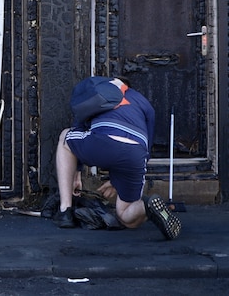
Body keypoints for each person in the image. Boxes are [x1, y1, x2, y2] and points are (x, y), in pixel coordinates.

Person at [53, 77, 181, 240]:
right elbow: (146, 147)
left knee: (65, 137)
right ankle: (146, 206)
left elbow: (79, 126)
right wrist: (117, 180)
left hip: (103, 141)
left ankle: (65, 211)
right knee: (127, 216)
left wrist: (77, 173)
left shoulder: (97, 92)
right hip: (136, 153)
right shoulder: (144, 103)